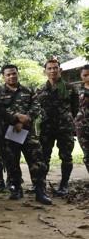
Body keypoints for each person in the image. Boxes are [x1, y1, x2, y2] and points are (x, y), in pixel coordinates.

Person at [0, 64, 52, 205]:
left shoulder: (28, 90)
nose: (12, 76)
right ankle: (16, 189)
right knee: (12, 162)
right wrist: (15, 119)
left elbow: (36, 105)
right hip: (10, 133)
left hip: (28, 132)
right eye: (8, 74)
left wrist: (26, 118)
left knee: (37, 162)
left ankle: (40, 192)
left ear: (17, 73)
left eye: (14, 73)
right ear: (3, 77)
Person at [35, 58, 78, 196]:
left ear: (60, 70)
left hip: (64, 128)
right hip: (46, 128)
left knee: (66, 157)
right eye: (50, 68)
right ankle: (41, 185)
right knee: (43, 157)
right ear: (45, 71)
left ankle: (64, 185)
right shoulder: (40, 89)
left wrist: (67, 121)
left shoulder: (70, 88)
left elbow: (75, 109)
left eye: (55, 68)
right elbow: (37, 108)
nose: (53, 70)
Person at [75, 64, 89, 173]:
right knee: (87, 154)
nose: (87, 77)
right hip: (82, 127)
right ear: (81, 76)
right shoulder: (77, 91)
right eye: (85, 75)